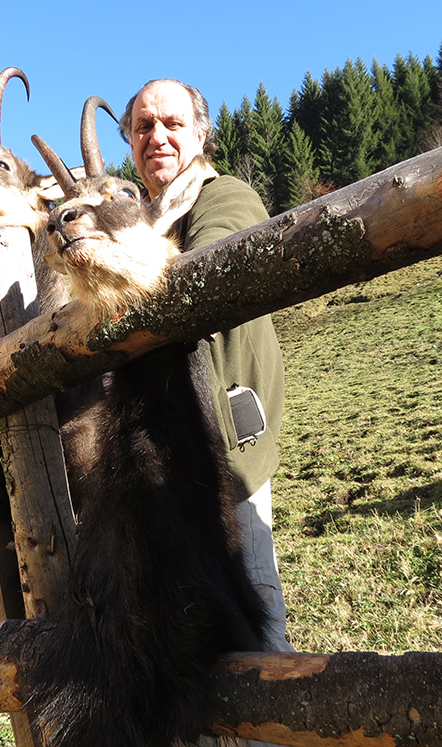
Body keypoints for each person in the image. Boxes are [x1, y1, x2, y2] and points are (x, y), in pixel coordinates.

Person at [119, 78, 293, 654]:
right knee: (188, 623)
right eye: (144, 127)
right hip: (165, 455)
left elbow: (204, 267)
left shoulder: (224, 196)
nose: (157, 136)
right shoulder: (142, 218)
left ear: (200, 134)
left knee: (251, 611)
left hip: (225, 446)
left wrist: (109, 256)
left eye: (171, 124)